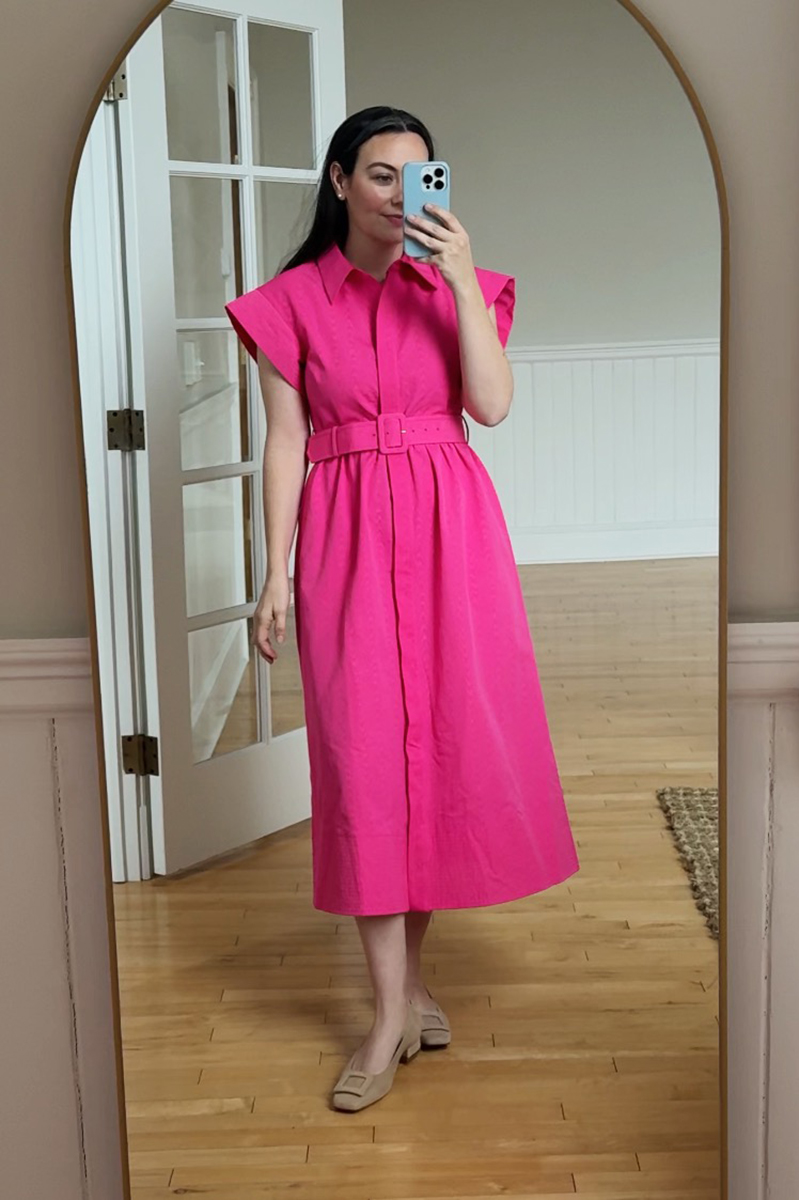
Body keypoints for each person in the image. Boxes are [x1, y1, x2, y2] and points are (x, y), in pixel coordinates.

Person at [225, 105, 580, 1112]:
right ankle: (387, 1018)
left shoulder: (461, 288)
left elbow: (492, 404)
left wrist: (462, 279)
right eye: (379, 176)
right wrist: (274, 573)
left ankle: (406, 988)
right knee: (367, 769)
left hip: (449, 538)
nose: (397, 197)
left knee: (437, 764)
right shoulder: (287, 304)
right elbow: (287, 441)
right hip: (341, 541)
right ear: (339, 183)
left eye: (416, 178)